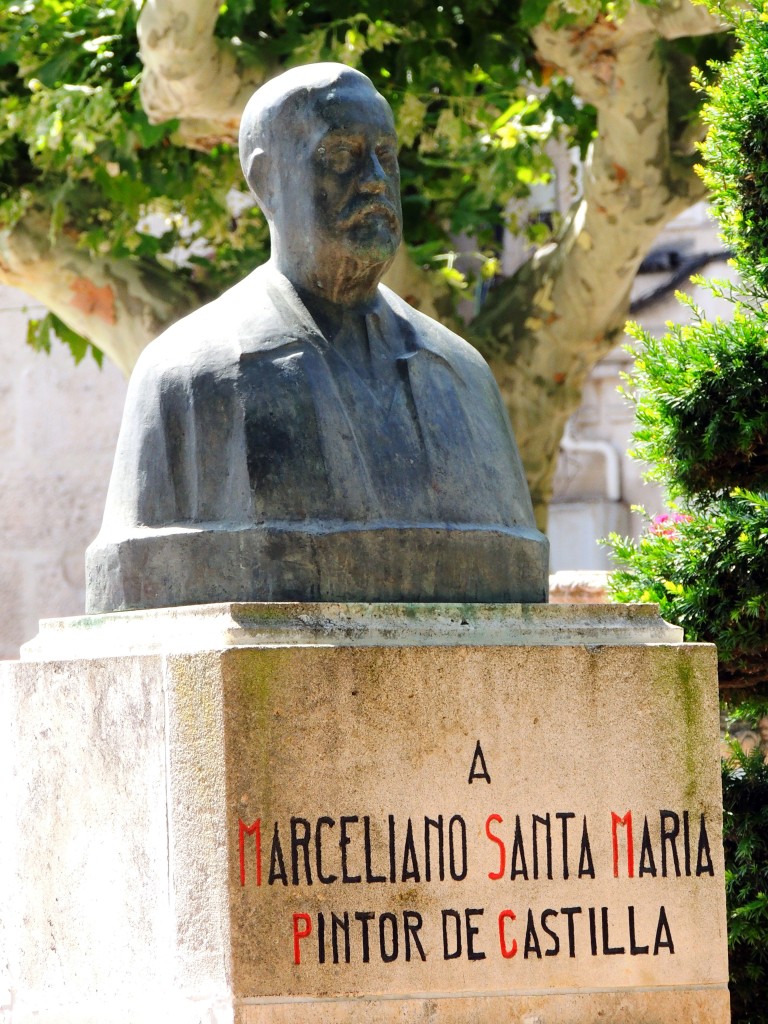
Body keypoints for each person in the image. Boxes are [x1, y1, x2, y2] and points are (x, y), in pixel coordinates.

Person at [86, 63, 548, 612]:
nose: (375, 180)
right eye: (341, 155)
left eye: (386, 156)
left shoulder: (465, 376)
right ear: (266, 180)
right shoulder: (185, 377)